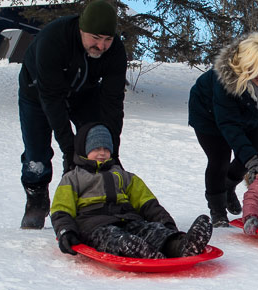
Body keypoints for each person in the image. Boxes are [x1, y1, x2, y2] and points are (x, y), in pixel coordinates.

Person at [17, 0, 127, 229]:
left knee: (96, 141)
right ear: (81, 30)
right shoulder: (53, 40)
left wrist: (112, 150)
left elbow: (113, 105)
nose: (102, 46)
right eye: (95, 38)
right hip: (38, 95)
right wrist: (69, 151)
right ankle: (37, 198)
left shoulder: (115, 51)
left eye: (107, 39)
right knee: (37, 153)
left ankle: (94, 200)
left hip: (83, 94)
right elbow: (53, 102)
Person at [188, 32, 258, 228]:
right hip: (208, 115)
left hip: (249, 114)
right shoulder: (224, 80)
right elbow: (228, 123)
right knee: (220, 160)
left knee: (249, 156)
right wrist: (250, 158)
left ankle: (228, 186)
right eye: (254, 69)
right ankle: (217, 211)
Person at [51, 124, 213, 259]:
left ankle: (181, 246)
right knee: (113, 238)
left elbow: (147, 203)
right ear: (83, 151)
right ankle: (137, 250)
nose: (102, 153)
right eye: (96, 148)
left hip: (128, 220)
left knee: (151, 231)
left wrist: (166, 224)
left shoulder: (124, 176)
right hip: (93, 225)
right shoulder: (72, 178)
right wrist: (66, 232)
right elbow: (61, 210)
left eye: (106, 149)